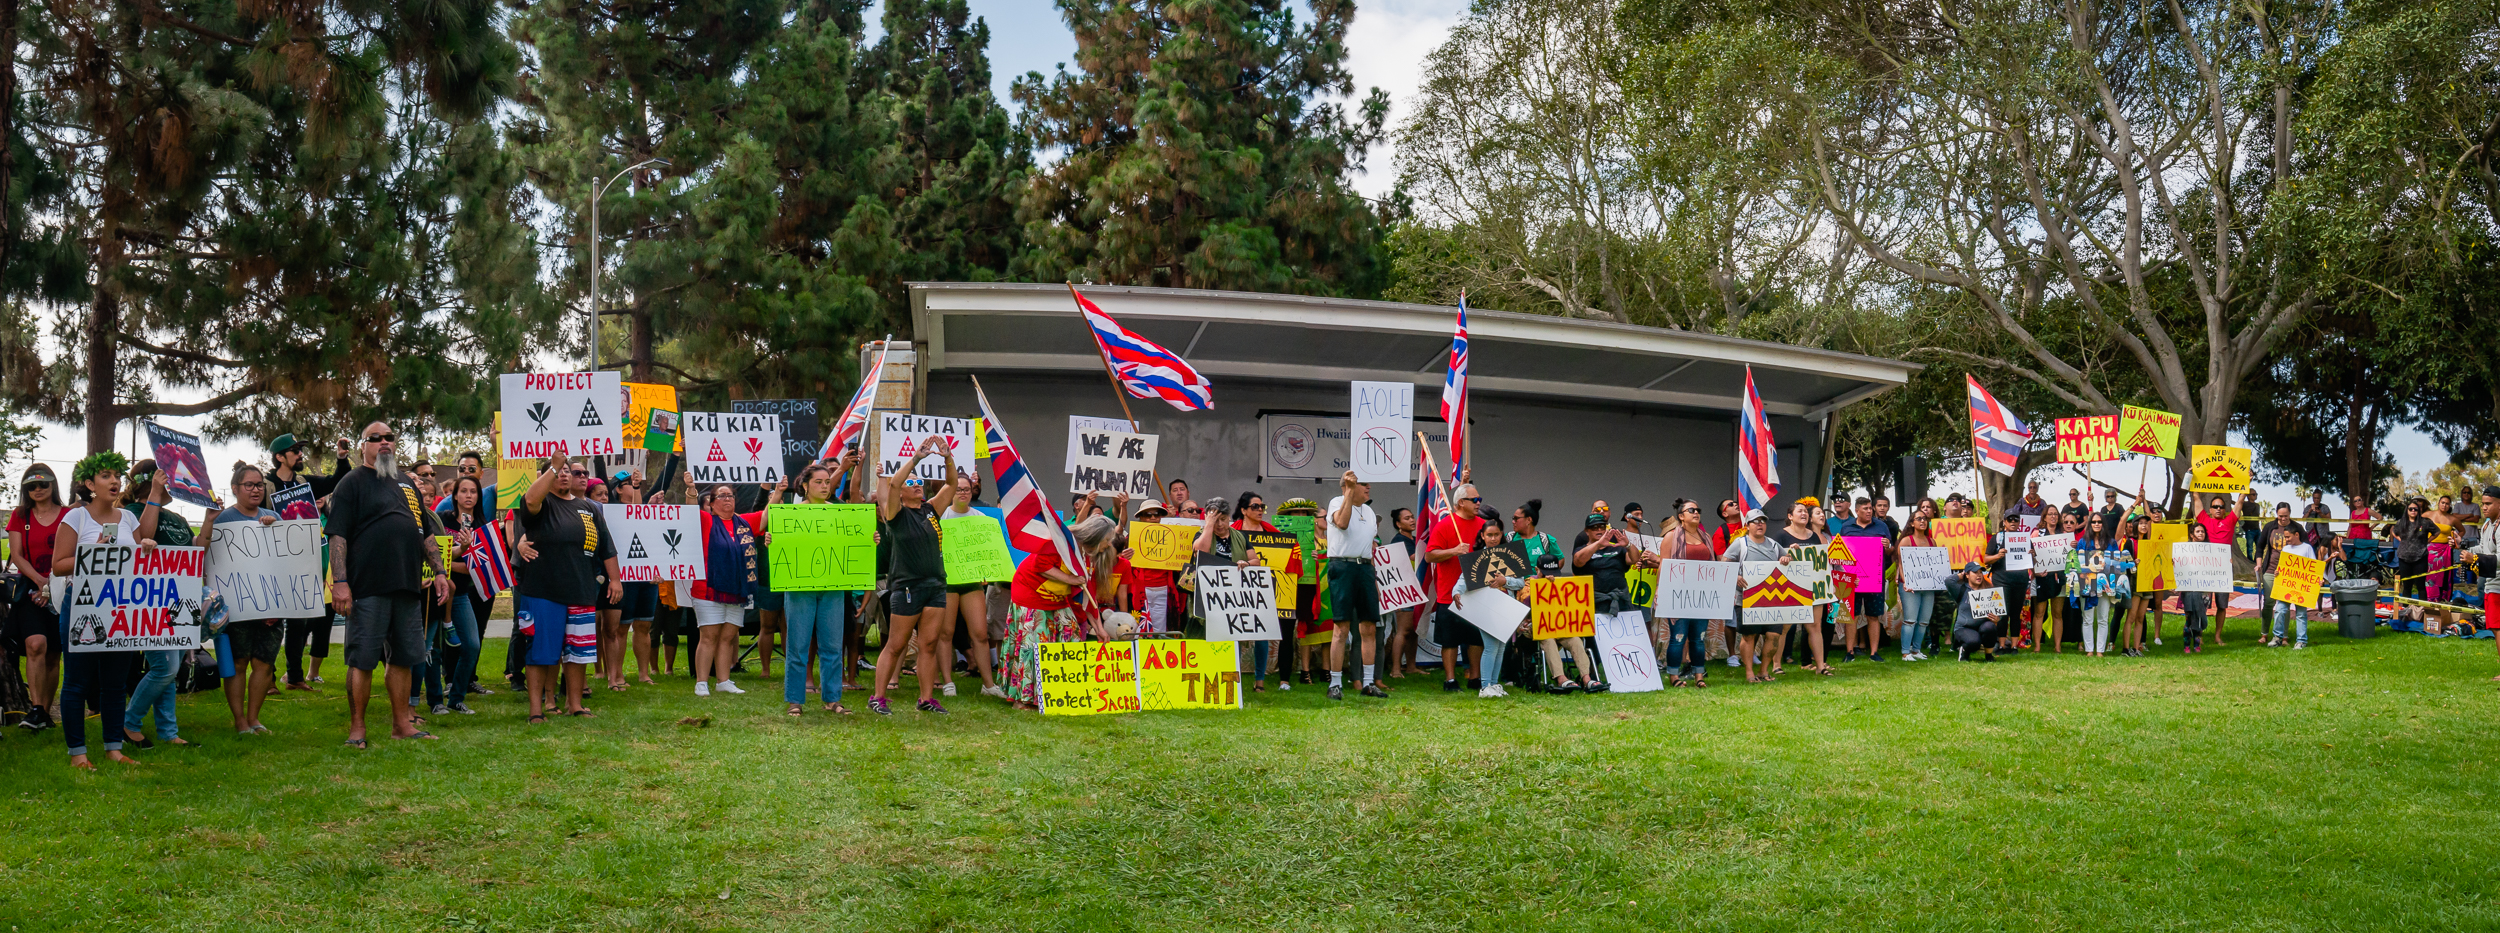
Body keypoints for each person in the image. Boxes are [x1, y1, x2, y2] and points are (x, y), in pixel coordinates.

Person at [327, 424, 452, 746]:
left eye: (389, 438)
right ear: (363, 446)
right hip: (368, 585)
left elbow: (424, 531)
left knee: (404, 657)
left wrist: (439, 571)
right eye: (376, 438)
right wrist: (340, 582)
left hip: (407, 585)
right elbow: (338, 535)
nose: (384, 442)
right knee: (363, 659)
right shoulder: (351, 483)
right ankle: (358, 729)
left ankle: (402, 725)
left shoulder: (405, 484)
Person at [52, 451, 163, 767]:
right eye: (105, 476)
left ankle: (114, 749)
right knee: (78, 682)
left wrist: (146, 547)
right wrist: (92, 553)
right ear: (89, 483)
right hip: (83, 607)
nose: (114, 481)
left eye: (117, 475)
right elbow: (59, 566)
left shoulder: (128, 518)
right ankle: (78, 755)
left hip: (121, 608)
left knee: (115, 683)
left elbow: (142, 556)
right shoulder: (76, 518)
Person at [511, 453, 619, 722]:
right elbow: (530, 500)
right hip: (542, 591)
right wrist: (553, 465)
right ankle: (536, 709)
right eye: (556, 470)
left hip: (581, 591)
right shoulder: (542, 503)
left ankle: (575, 705)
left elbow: (607, 548)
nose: (563, 473)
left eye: (567, 470)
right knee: (540, 652)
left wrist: (615, 579)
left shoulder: (590, 508)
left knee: (577, 653)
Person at [871, 435, 960, 714]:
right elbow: (895, 483)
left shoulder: (931, 510)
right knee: (896, 644)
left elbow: (952, 484)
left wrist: (947, 457)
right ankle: (878, 697)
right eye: (913, 483)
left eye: (920, 482)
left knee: (929, 644)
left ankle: (925, 699)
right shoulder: (896, 515)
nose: (917, 485)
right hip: (907, 586)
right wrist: (917, 457)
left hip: (935, 585)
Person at [1001, 515, 1122, 710]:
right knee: (1034, 643)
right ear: (1095, 537)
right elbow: (1040, 566)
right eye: (1107, 541)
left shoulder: (1086, 555)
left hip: (1058, 598)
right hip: (1031, 592)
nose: (1108, 545)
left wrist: (1099, 628)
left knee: (1071, 635)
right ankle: (1024, 700)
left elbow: (1087, 593)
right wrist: (1070, 580)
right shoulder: (1060, 541)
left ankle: (1060, 693)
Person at [205, 464, 284, 736]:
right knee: (238, 663)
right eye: (249, 485)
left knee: (264, 663)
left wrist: (275, 530)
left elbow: (287, 562)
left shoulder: (274, 517)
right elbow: (210, 562)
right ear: (236, 489)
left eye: (260, 484)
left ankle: (254, 719)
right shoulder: (223, 520)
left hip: (270, 608)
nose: (256, 489)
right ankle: (239, 720)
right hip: (236, 609)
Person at [781, 457, 863, 716]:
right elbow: (780, 544)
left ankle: (832, 699)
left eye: (828, 482)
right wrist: (773, 539)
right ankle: (795, 699)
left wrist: (869, 537)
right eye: (819, 482)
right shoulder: (791, 515)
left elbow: (854, 542)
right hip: (800, 586)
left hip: (832, 586)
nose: (825, 486)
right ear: (804, 486)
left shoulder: (840, 512)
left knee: (832, 645)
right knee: (798, 645)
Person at [269, 433, 349, 688]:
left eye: (300, 450)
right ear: (280, 457)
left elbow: (337, 480)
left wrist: (342, 458)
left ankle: (294, 677)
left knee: (297, 623)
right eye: (295, 451)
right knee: (268, 623)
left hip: (302, 564)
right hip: (272, 563)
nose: (300, 454)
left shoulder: (304, 482)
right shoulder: (265, 484)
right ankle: (267, 679)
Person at [684, 479, 756, 697]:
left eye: (731, 496)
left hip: (737, 589)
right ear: (712, 503)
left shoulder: (744, 523)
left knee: (727, 636)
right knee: (709, 636)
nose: (727, 499)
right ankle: (702, 682)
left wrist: (777, 490)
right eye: (722, 496)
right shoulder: (707, 521)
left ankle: (724, 680)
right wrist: (690, 490)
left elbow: (767, 514)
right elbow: (690, 511)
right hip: (708, 589)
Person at [7, 463, 64, 731]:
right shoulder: (20, 516)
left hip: (62, 589)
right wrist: (41, 582)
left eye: (43, 484)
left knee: (54, 653)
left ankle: (45, 713)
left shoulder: (68, 515)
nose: (38, 489)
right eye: (32, 486)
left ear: (53, 485)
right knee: (35, 645)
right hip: (31, 591)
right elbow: (17, 555)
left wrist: (52, 585)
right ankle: (36, 707)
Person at [430, 474, 493, 715]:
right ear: (454, 495)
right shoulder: (442, 519)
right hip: (436, 592)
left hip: (461, 595)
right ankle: (436, 701)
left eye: (473, 491)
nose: (469, 496)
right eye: (464, 491)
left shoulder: (481, 527)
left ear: (479, 497)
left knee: (472, 645)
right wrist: (454, 557)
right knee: (433, 650)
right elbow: (431, 554)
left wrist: (447, 561)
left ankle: (456, 698)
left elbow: (472, 568)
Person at [1323, 472, 1388, 699]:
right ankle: (1336, 683)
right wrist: (1349, 492)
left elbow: (1369, 545)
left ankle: (1369, 682)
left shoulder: (1369, 512)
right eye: (1363, 484)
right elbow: (1341, 523)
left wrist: (1374, 577)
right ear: (1348, 486)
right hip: (1342, 566)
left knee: (1369, 626)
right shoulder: (1336, 503)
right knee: (1341, 627)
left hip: (1365, 568)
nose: (1369, 487)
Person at [1423, 483, 1487, 691]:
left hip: (1477, 591)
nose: (1479, 503)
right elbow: (1429, 555)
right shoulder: (1445, 525)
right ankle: (1450, 679)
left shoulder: (1484, 525)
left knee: (1476, 638)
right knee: (1449, 640)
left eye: (1479, 499)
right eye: (1474, 500)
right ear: (1461, 503)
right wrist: (1453, 551)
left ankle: (1475, 677)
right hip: (1448, 593)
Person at [1718, 509, 1787, 683]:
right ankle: (1749, 673)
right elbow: (1723, 565)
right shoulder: (1740, 544)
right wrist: (1736, 576)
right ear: (1747, 525)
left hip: (1772, 599)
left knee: (1773, 635)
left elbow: (1787, 560)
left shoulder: (1773, 544)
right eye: (1755, 521)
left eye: (1762, 521)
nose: (1760, 524)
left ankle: (1764, 671)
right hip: (1747, 599)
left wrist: (1787, 559)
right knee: (1749, 636)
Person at [608, 472, 661, 688]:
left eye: (636, 484)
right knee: (621, 628)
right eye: (629, 484)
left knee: (644, 625)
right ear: (618, 489)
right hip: (624, 578)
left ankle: (643, 674)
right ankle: (617, 675)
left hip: (647, 578)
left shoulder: (648, 512)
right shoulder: (609, 512)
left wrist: (661, 568)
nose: (634, 487)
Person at [1656, 498, 1718, 684]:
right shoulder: (1671, 537)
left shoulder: (1705, 537)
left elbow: (1712, 567)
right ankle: (1674, 676)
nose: (1696, 513)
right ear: (1681, 516)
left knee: (1699, 638)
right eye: (1691, 510)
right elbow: (1663, 564)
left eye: (1698, 509)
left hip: (1701, 595)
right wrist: (1660, 588)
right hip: (1678, 594)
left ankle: (1699, 676)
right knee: (1678, 636)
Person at [1769, 501, 1831, 675]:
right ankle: (1776, 665)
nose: (1804, 514)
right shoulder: (1780, 536)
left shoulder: (1814, 536)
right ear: (1790, 517)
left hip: (1812, 588)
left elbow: (1820, 563)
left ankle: (1820, 666)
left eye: (1805, 511)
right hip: (1788, 588)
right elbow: (1772, 560)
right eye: (1800, 511)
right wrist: (1786, 554)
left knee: (1815, 626)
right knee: (1785, 627)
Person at [1465, 517, 1524, 698]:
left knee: (1499, 647)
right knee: (1490, 647)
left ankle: (1494, 684)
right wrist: (1456, 593)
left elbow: (1520, 582)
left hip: (1505, 606)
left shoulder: (1510, 555)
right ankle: (1485, 687)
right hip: (1486, 607)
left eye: (1496, 534)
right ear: (1482, 536)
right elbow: (1463, 581)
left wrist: (1505, 581)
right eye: (1489, 535)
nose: (1493, 538)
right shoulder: (1476, 558)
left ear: (1501, 535)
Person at [1834, 496, 1895, 661]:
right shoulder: (1846, 527)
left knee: (1873, 615)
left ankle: (1874, 653)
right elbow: (1840, 552)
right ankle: (1850, 652)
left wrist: (1888, 546)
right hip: (1852, 578)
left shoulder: (1881, 526)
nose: (1869, 512)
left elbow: (1891, 551)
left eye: (1870, 509)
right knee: (1851, 614)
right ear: (1857, 511)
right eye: (1865, 509)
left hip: (1874, 577)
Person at [2069, 514, 2127, 657]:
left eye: (2099, 522)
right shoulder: (2083, 542)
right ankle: (2089, 650)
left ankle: (2100, 650)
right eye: (2093, 521)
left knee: (2103, 618)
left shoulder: (2111, 542)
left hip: (2105, 583)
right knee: (2087, 618)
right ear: (2090, 524)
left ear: (2103, 524)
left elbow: (2116, 563)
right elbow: (2077, 563)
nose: (2096, 524)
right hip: (2087, 584)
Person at [2257, 525, 2315, 648]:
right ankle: (2277, 637)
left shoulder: (2307, 548)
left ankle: (2301, 640)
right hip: (2286, 586)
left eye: (2288, 537)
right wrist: (2278, 572)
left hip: (2301, 587)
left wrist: (2317, 580)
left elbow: (2313, 568)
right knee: (2279, 610)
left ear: (2297, 535)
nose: (2286, 539)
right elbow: (2281, 566)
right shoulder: (2286, 549)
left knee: (2300, 613)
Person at [1383, 506, 1423, 681]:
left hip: (1416, 589)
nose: (1412, 520)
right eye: (1407, 518)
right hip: (1403, 591)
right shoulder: (1398, 541)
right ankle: (1396, 669)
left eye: (1412, 517)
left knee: (1414, 631)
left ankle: (1411, 666)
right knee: (1403, 630)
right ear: (1398, 523)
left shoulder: (1414, 539)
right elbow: (1417, 557)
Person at [1896, 513, 1940, 660]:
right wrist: (1905, 582)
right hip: (1910, 587)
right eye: (1919, 519)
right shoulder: (1906, 541)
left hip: (1928, 586)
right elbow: (1900, 564)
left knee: (1924, 621)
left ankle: (1916, 650)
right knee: (1910, 619)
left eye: (1925, 519)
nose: (1923, 521)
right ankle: (1905, 652)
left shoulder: (1932, 541)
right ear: (1912, 523)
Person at [2389, 498, 2436, 630]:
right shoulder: (2401, 522)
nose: (2413, 511)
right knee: (2407, 586)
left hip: (2420, 557)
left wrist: (2427, 541)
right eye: (2411, 509)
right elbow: (2394, 530)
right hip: (2404, 557)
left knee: (2421, 585)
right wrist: (2401, 540)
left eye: (2416, 509)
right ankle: (2405, 613)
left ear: (2419, 511)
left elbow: (2437, 531)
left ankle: (2422, 613)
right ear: (2407, 510)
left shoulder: (2425, 522)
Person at [1951, 562, 2005, 662]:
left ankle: (1989, 656)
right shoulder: (1960, 589)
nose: (1979, 575)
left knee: (1990, 627)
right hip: (1964, 627)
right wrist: (1961, 575)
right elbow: (1948, 581)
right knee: (1974, 641)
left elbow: (1999, 610)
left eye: (1980, 572)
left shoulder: (1989, 589)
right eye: (1975, 572)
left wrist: (1998, 618)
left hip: (1983, 626)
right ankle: (1964, 651)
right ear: (1967, 574)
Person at [2178, 521, 2215, 653]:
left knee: (2200, 616)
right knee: (2189, 617)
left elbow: (2216, 566)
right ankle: (2187, 646)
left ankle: (2197, 645)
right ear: (2192, 535)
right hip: (2189, 589)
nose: (2201, 534)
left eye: (2203, 531)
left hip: (2204, 590)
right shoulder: (2183, 550)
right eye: (2198, 531)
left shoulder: (2211, 549)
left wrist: (2226, 563)